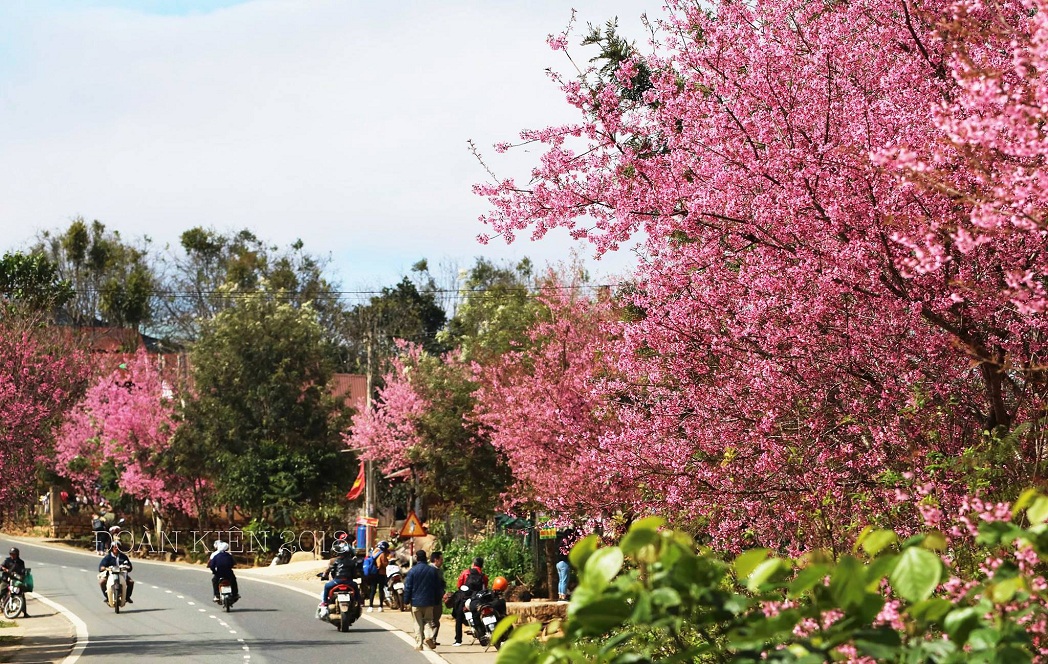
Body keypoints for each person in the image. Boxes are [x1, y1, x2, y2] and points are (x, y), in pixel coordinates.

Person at [402, 550, 445, 651]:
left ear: (417, 558)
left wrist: (406, 600)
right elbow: (438, 587)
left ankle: (419, 644)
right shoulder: (432, 571)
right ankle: (429, 636)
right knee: (427, 621)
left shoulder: (412, 571)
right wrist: (437, 600)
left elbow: (408, 587)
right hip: (429, 602)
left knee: (418, 623)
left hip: (416, 602)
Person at [453, 556, 488, 646]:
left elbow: (459, 585)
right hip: (477, 599)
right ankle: (483, 635)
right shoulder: (483, 576)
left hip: (465, 598)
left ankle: (458, 640)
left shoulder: (466, 573)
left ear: (473, 564)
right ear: (482, 566)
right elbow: (485, 588)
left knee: (459, 617)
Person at [319, 539, 359, 607]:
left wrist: (334, 577)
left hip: (337, 581)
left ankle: (325, 602)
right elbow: (354, 573)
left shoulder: (336, 561)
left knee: (326, 586)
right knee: (356, 587)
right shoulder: (352, 562)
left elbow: (333, 571)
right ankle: (358, 601)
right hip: (348, 581)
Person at [1, 548, 29, 618]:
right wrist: (3, 569)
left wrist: (22, 575)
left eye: (14, 554)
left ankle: (25, 612)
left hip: (16, 581)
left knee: (21, 595)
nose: (12, 555)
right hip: (6, 580)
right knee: (1, 591)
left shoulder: (21, 562)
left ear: (17, 554)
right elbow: (1, 566)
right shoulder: (7, 560)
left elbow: (23, 571)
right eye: (11, 554)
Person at [365, 540, 390, 612]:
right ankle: (380, 607)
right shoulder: (382, 554)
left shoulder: (373, 552)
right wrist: (387, 561)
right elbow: (384, 564)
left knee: (372, 590)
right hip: (380, 573)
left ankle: (370, 606)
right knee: (381, 590)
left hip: (373, 573)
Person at [429, 551, 444, 645]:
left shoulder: (439, 570)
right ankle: (430, 638)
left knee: (436, 620)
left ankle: (432, 639)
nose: (442, 561)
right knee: (432, 621)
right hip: (431, 599)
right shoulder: (430, 570)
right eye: (441, 559)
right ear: (436, 560)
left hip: (437, 598)